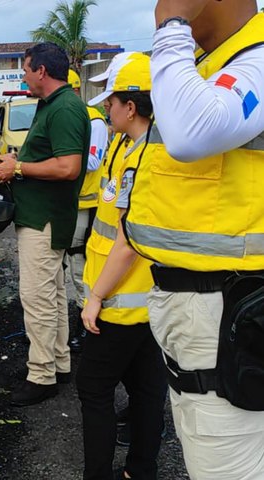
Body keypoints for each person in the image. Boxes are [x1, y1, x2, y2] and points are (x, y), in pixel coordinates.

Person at [124, 2, 264, 478]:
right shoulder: (210, 66)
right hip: (197, 312)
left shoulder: (257, 59)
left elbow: (191, 132)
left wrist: (172, 25)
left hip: (229, 312)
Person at [75, 52, 166, 480]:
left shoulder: (147, 157)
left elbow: (127, 242)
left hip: (119, 303)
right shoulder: (126, 145)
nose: (104, 108)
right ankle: (140, 469)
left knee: (94, 389)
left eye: (110, 101)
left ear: (131, 106)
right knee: (147, 390)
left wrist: (95, 297)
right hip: (141, 301)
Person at [0, 42, 90, 406]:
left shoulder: (66, 109)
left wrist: (19, 167)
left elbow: (68, 167)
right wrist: (15, 159)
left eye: (26, 70)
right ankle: (57, 364)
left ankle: (41, 375)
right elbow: (49, 157)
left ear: (42, 71)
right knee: (53, 295)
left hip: (45, 220)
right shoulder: (52, 106)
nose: (24, 76)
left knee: (37, 298)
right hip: (41, 216)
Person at [66, 69, 110, 353]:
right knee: (69, 267)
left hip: (88, 204)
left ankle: (88, 328)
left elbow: (92, 161)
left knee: (82, 267)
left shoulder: (94, 122)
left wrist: (61, 157)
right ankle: (77, 319)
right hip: (68, 203)